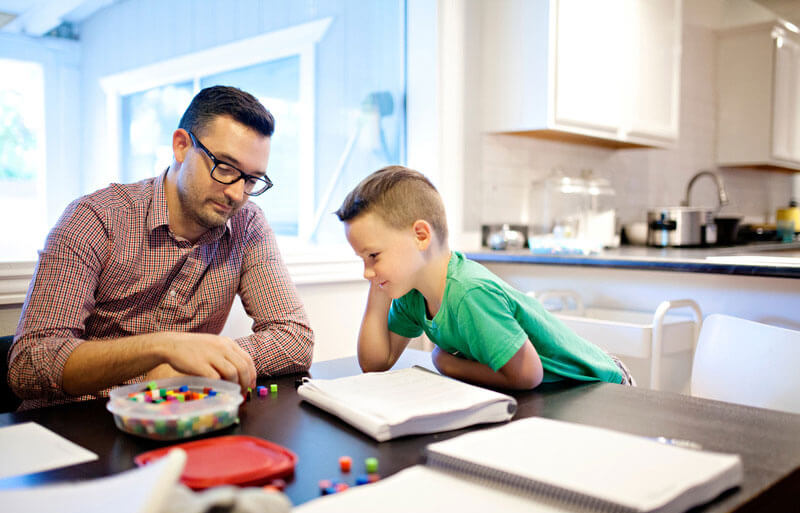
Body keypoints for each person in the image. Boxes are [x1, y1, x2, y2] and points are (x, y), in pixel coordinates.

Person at [9, 86, 314, 410]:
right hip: (74, 425)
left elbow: (294, 337)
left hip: (179, 418)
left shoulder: (247, 224)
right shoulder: (97, 218)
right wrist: (162, 352)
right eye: (224, 168)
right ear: (181, 146)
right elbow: (31, 362)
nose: (238, 194)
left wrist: (193, 364)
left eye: (251, 180)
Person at [335, 165, 635, 390]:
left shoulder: (469, 293)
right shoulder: (412, 295)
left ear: (421, 236)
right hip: (555, 395)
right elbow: (375, 364)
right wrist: (378, 286)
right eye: (363, 259)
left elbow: (528, 375)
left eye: (373, 256)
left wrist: (446, 362)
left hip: (601, 386)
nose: (367, 272)